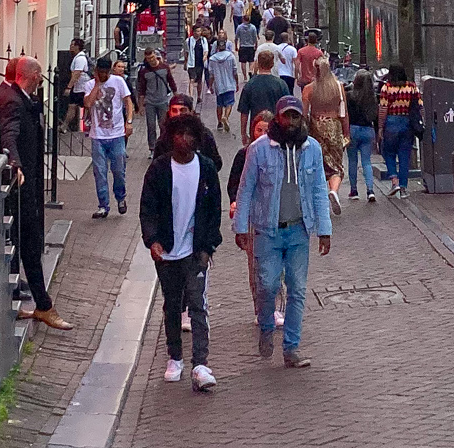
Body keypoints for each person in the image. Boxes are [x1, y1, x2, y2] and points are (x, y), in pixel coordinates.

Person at [233, 98, 332, 367]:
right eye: (286, 116)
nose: (291, 122)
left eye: (295, 117)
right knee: (267, 285)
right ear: (277, 117)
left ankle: (291, 347)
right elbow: (246, 189)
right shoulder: (258, 150)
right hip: (267, 230)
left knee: (298, 289)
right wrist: (241, 227)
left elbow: (319, 190)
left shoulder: (312, 149)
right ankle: (266, 325)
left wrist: (324, 229)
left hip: (299, 229)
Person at [140, 112, 221, 391]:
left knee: (198, 304)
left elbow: (214, 211)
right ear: (170, 137)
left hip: (195, 250)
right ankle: (175, 356)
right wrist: (153, 241)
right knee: (172, 304)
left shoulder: (206, 168)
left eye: (190, 135)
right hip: (167, 252)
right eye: (179, 134)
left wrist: (208, 247)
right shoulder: (159, 170)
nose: (184, 140)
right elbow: (148, 208)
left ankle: (201, 363)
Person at [0, 56, 74, 331]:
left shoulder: (16, 96)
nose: (42, 80)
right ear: (31, 76)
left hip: (26, 183)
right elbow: (9, 133)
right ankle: (44, 306)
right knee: (29, 239)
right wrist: (15, 164)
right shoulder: (12, 100)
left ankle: (20, 295)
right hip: (23, 185)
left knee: (22, 239)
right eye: (39, 75)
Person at [227, 109, 283, 328]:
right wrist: (235, 203)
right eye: (258, 129)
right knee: (255, 265)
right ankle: (260, 308)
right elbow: (234, 184)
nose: (261, 134)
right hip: (253, 217)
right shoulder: (245, 154)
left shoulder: (280, 152)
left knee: (278, 264)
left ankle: (277, 307)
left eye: (266, 130)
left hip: (276, 215)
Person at [84, 54, 134, 218]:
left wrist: (129, 121)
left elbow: (128, 101)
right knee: (100, 171)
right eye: (101, 72)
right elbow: (88, 103)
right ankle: (103, 205)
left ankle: (121, 197)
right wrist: (97, 85)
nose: (104, 75)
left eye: (106, 72)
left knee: (118, 169)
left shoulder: (118, 82)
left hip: (117, 133)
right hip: (98, 135)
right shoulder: (90, 85)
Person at [301, 58, 347, 216]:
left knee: (318, 163)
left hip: (316, 127)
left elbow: (304, 114)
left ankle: (316, 199)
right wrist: (346, 133)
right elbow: (344, 113)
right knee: (336, 164)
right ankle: (333, 190)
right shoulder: (338, 87)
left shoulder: (309, 89)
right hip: (334, 126)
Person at [378, 64, 421, 199]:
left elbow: (383, 109)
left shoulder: (387, 87)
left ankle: (394, 180)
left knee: (388, 152)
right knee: (404, 156)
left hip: (391, 123)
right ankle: (403, 188)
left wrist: (380, 127)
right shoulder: (412, 87)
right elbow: (419, 106)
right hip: (407, 123)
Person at [154, 94, 223, 171]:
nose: (178, 114)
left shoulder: (205, 135)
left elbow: (216, 163)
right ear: (169, 113)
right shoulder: (163, 140)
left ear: (191, 112)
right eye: (174, 110)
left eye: (183, 110)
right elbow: (156, 169)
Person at [238, 49, 288, 145]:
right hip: (277, 129)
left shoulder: (250, 84)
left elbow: (244, 112)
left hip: (256, 129)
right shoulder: (281, 84)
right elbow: (286, 110)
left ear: (258, 64)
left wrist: (243, 134)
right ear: (272, 64)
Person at [344, 68, 379, 203]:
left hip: (352, 129)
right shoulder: (373, 97)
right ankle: (370, 190)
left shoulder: (349, 96)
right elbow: (375, 117)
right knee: (367, 162)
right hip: (367, 130)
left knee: (352, 161)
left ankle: (354, 190)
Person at [136, 47, 178, 151]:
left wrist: (176, 95)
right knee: (151, 126)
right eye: (148, 58)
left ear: (155, 55)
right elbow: (142, 89)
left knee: (163, 125)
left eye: (152, 57)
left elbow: (171, 81)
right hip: (150, 102)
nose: (151, 60)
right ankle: (152, 148)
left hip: (163, 100)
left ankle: (164, 146)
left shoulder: (164, 67)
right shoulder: (144, 71)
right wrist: (141, 106)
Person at [208, 36, 240, 132]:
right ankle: (226, 116)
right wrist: (237, 83)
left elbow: (211, 74)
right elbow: (235, 71)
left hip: (219, 85)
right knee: (229, 103)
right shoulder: (231, 56)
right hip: (229, 83)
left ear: (217, 47)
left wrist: (210, 86)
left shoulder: (212, 59)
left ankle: (219, 123)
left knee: (219, 104)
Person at [66, 37, 91, 131]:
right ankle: (66, 125)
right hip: (79, 87)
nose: (70, 47)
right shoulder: (78, 57)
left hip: (81, 87)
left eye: (72, 45)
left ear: (77, 47)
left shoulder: (80, 59)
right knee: (74, 106)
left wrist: (69, 87)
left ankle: (86, 125)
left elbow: (77, 73)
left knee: (79, 105)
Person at [185, 27, 209, 107]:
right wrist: (185, 63)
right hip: (191, 63)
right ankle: (191, 96)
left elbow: (206, 50)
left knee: (199, 81)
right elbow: (186, 52)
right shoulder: (188, 41)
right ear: (193, 32)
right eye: (196, 31)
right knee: (192, 79)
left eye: (199, 31)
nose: (198, 33)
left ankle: (199, 96)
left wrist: (205, 57)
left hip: (200, 63)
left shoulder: (203, 40)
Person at [235, 15, 259, 80]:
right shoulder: (253, 27)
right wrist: (256, 45)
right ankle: (250, 70)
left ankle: (245, 76)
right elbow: (255, 37)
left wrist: (236, 46)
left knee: (243, 62)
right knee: (251, 60)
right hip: (251, 46)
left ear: (243, 19)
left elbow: (236, 37)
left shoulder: (239, 27)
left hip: (242, 46)